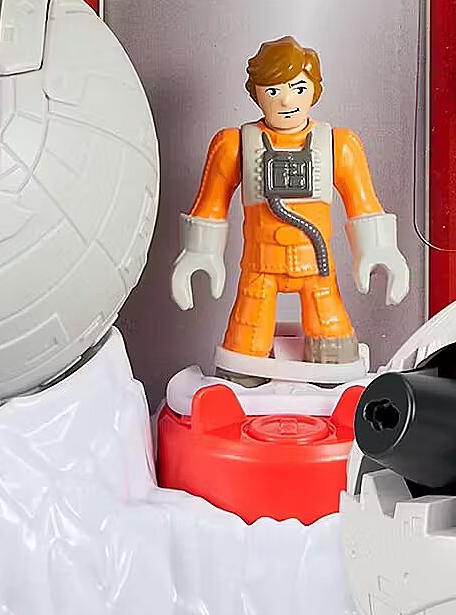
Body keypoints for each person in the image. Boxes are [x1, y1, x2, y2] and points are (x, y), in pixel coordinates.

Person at [173, 36, 410, 373]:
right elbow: (211, 205)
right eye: (273, 91)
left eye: (298, 88)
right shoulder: (234, 146)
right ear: (256, 93)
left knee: (334, 349)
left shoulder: (338, 146)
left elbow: (364, 204)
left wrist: (379, 250)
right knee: (244, 354)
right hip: (259, 266)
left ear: (314, 90)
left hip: (316, 267)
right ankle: (245, 386)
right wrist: (200, 253)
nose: (286, 100)